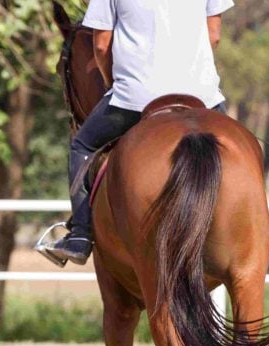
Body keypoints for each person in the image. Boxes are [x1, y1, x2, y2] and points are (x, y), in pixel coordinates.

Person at [43, 0, 233, 265]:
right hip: (201, 93)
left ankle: (80, 236)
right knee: (238, 151)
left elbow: (100, 45)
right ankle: (254, 228)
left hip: (136, 96)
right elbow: (213, 36)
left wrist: (113, 85)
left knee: (82, 147)